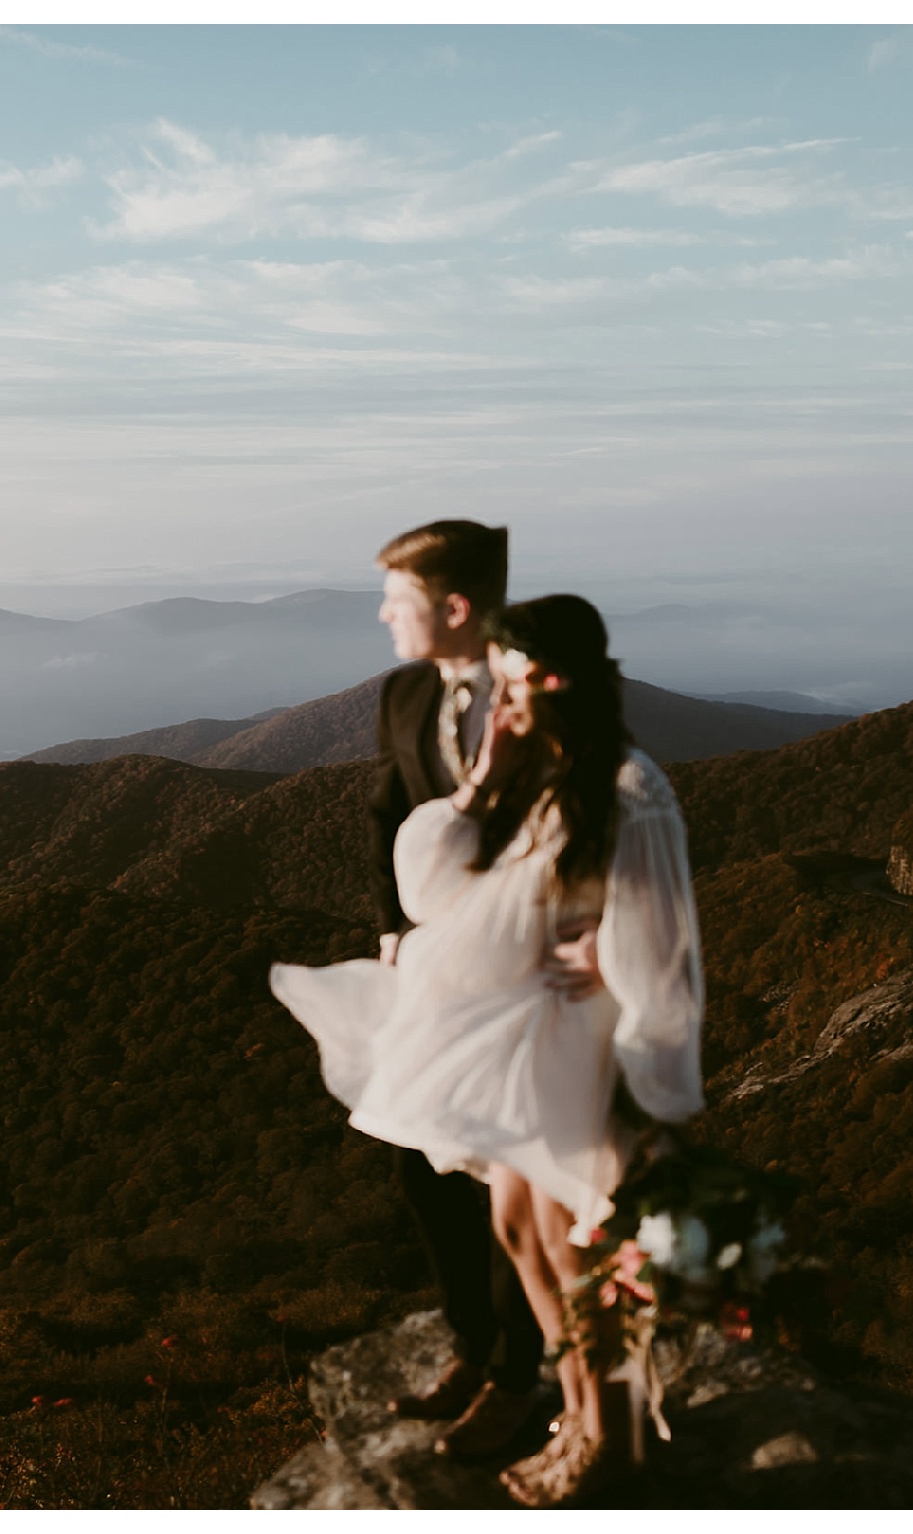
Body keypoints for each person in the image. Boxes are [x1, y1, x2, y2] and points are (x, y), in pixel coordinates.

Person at [272, 593, 704, 1508]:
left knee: (574, 1251)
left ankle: (609, 1435)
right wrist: (481, 780)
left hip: (584, 1051)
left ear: (556, 684)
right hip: (521, 1045)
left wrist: (653, 1091)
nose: (495, 709)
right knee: (518, 1232)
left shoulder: (627, 788)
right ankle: (581, 1415)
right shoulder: (534, 773)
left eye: (510, 689)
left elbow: (661, 952)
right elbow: (427, 888)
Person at [336, 522, 599, 1465]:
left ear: (452, 608)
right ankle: (477, 1345)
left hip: (535, 974)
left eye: (395, 601)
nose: (382, 617)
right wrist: (394, 936)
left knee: (516, 1183)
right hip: (439, 970)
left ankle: (521, 1380)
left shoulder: (542, 683)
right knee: (422, 1163)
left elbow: (591, 823)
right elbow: (385, 813)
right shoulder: (406, 692)